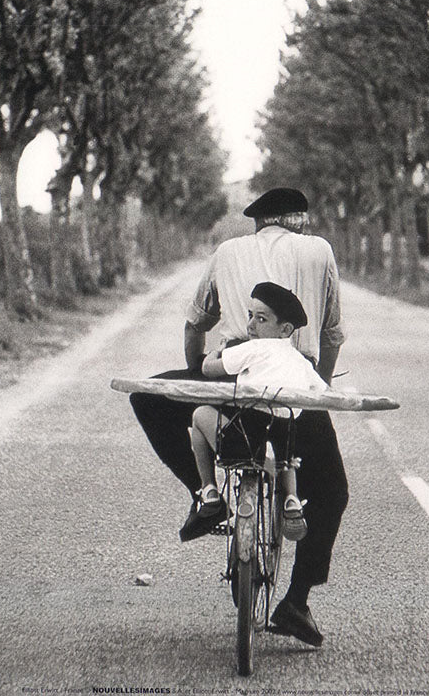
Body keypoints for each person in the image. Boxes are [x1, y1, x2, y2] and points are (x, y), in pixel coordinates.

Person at [130, 187, 349, 647]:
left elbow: (195, 324)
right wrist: (316, 391)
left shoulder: (228, 251)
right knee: (331, 491)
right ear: (300, 222)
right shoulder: (319, 251)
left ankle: (204, 492)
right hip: (295, 387)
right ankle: (296, 602)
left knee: (147, 397)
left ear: (258, 223)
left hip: (231, 383)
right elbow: (331, 336)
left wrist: (195, 377)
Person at [184, 281, 327, 543]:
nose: (250, 326)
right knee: (287, 443)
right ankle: (292, 499)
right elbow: (323, 393)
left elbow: (209, 370)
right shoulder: (300, 361)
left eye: (260, 319)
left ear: (285, 329)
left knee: (200, 413)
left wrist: (215, 352)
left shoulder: (253, 348)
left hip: (245, 439)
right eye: (250, 316)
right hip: (283, 440)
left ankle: (209, 490)